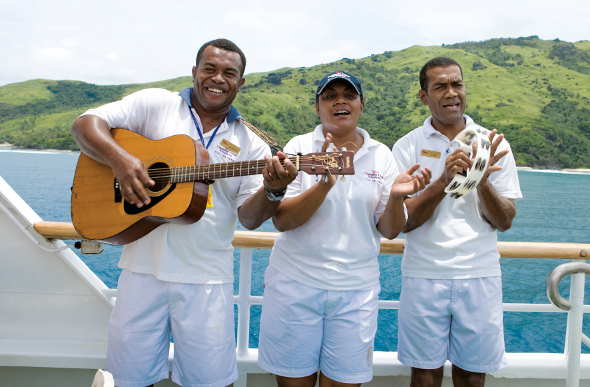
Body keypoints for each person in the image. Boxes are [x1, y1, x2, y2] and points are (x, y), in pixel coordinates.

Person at [71, 38, 297, 387]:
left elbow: (250, 218)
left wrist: (274, 189)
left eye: (229, 73)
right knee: (127, 380)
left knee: (210, 382)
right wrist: (121, 160)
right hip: (140, 271)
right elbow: (85, 123)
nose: (217, 78)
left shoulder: (251, 144)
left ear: (241, 82)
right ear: (194, 72)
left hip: (207, 279)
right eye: (209, 69)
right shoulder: (155, 104)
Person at [257, 71, 431, 387]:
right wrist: (324, 185)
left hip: (357, 291)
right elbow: (282, 221)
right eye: (330, 95)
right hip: (296, 283)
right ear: (317, 107)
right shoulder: (299, 147)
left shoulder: (381, 155)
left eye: (349, 95)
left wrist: (395, 198)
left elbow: (390, 230)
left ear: (361, 106)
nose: (340, 101)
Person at [391, 57, 523, 387]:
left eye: (457, 84)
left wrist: (481, 180)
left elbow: (504, 221)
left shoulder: (494, 145)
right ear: (424, 96)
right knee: (424, 376)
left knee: (471, 377)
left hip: (479, 273)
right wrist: (444, 178)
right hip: (423, 274)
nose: (451, 92)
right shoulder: (407, 146)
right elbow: (403, 221)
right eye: (440, 86)